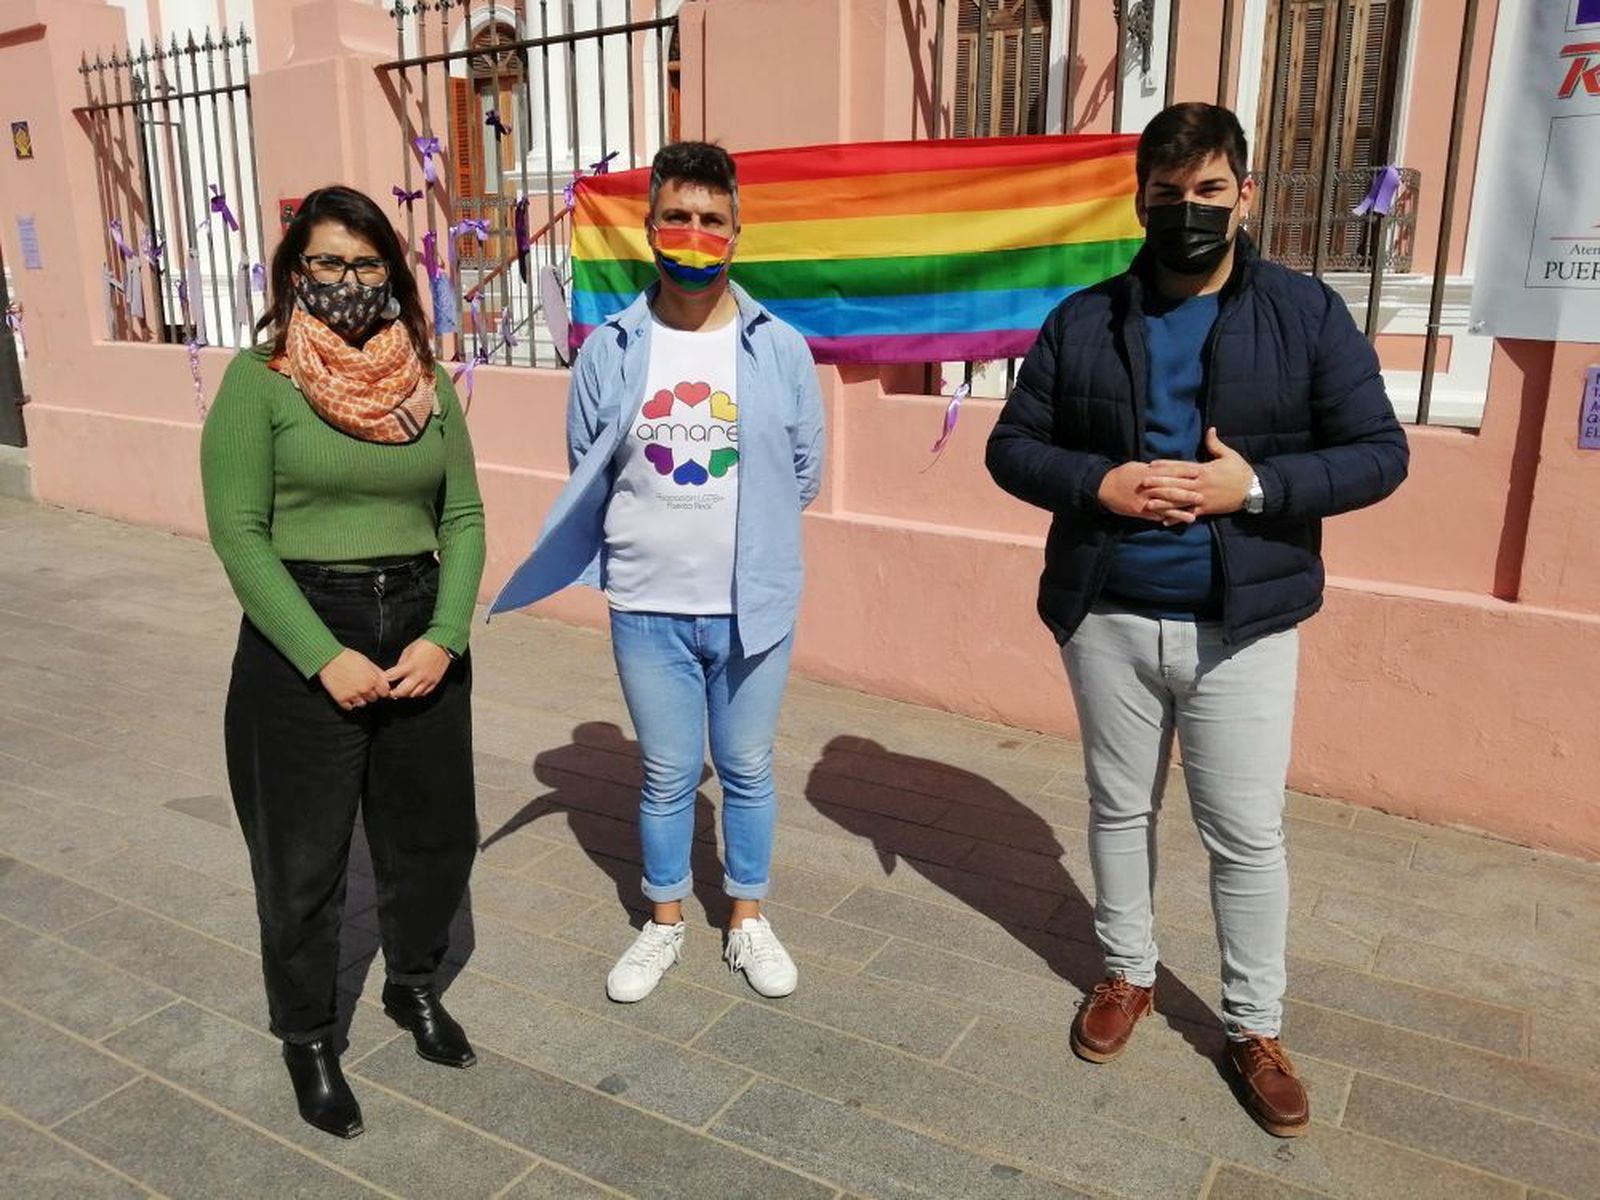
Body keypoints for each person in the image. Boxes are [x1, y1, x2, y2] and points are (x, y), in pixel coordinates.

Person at [985, 103, 1408, 1137]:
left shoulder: (1305, 314)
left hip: (1243, 625)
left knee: (1244, 834)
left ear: (1245, 195)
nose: (1189, 211)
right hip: (1109, 614)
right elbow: (1011, 446)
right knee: (1118, 808)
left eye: (1210, 191)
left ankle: (1253, 1026)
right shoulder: (1084, 320)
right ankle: (1126, 973)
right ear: (1139, 201)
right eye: (1168, 194)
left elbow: (1378, 452)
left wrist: (1252, 488)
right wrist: (1099, 483)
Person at [490, 141, 825, 1005]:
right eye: (678, 215)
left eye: (712, 219)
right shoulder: (610, 347)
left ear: (737, 232)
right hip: (647, 606)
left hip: (753, 607)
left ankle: (746, 918)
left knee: (746, 768)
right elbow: (589, 463)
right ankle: (665, 920)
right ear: (650, 227)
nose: (694, 232)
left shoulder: (780, 348)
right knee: (669, 775)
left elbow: (803, 472)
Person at [201, 185, 486, 1139]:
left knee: (433, 839)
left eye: (367, 265)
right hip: (303, 632)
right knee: (303, 860)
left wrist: (444, 635)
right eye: (327, 262)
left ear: (393, 273)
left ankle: (413, 985)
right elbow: (239, 533)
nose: (349, 282)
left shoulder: (425, 381)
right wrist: (324, 657)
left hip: (419, 624)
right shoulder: (260, 381)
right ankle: (309, 1036)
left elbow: (462, 516)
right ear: (295, 271)